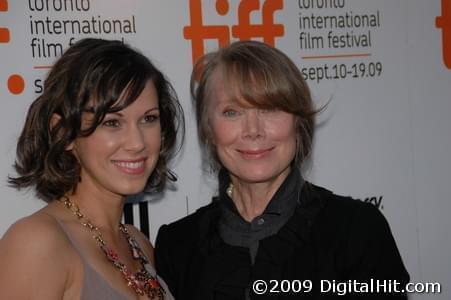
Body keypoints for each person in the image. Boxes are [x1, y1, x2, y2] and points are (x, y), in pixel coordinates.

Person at [155, 40, 410, 299]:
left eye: (269, 108)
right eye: (232, 112)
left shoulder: (357, 231)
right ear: (208, 130)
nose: (253, 130)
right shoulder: (177, 246)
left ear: (299, 124)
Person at [0, 38, 183, 299]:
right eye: (112, 122)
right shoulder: (38, 243)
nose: (137, 142)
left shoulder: (138, 243)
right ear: (63, 132)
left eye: (148, 119)